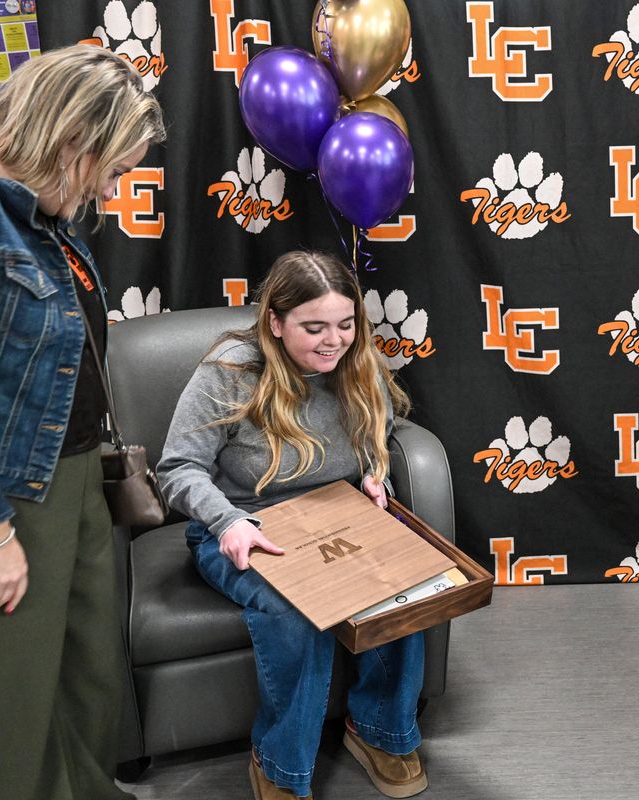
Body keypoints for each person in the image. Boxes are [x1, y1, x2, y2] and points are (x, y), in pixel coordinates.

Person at [0, 45, 164, 799]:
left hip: (77, 474)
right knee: (8, 703)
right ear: (69, 139)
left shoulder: (46, 215)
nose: (111, 192)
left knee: (86, 680)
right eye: (111, 170)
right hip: (6, 493)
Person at [157, 251, 427, 800]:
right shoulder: (231, 369)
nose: (334, 340)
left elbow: (383, 425)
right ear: (275, 323)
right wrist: (227, 521)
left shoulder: (358, 362)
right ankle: (279, 764)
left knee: (406, 586)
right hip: (243, 523)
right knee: (295, 609)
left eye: (346, 324)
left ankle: (379, 730)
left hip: (338, 515)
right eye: (314, 327)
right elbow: (177, 468)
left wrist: (376, 472)